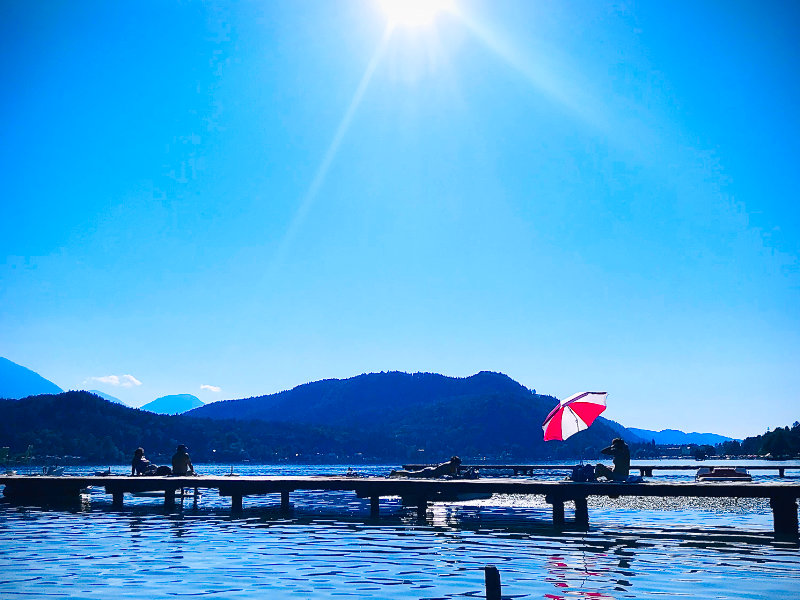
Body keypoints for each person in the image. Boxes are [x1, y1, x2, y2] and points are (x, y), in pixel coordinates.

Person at [390, 456, 462, 479]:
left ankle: (396, 473)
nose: (458, 466)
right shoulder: (447, 466)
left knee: (412, 474)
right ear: (455, 463)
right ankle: (395, 472)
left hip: (430, 472)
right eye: (458, 464)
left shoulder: (452, 467)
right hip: (428, 472)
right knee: (411, 474)